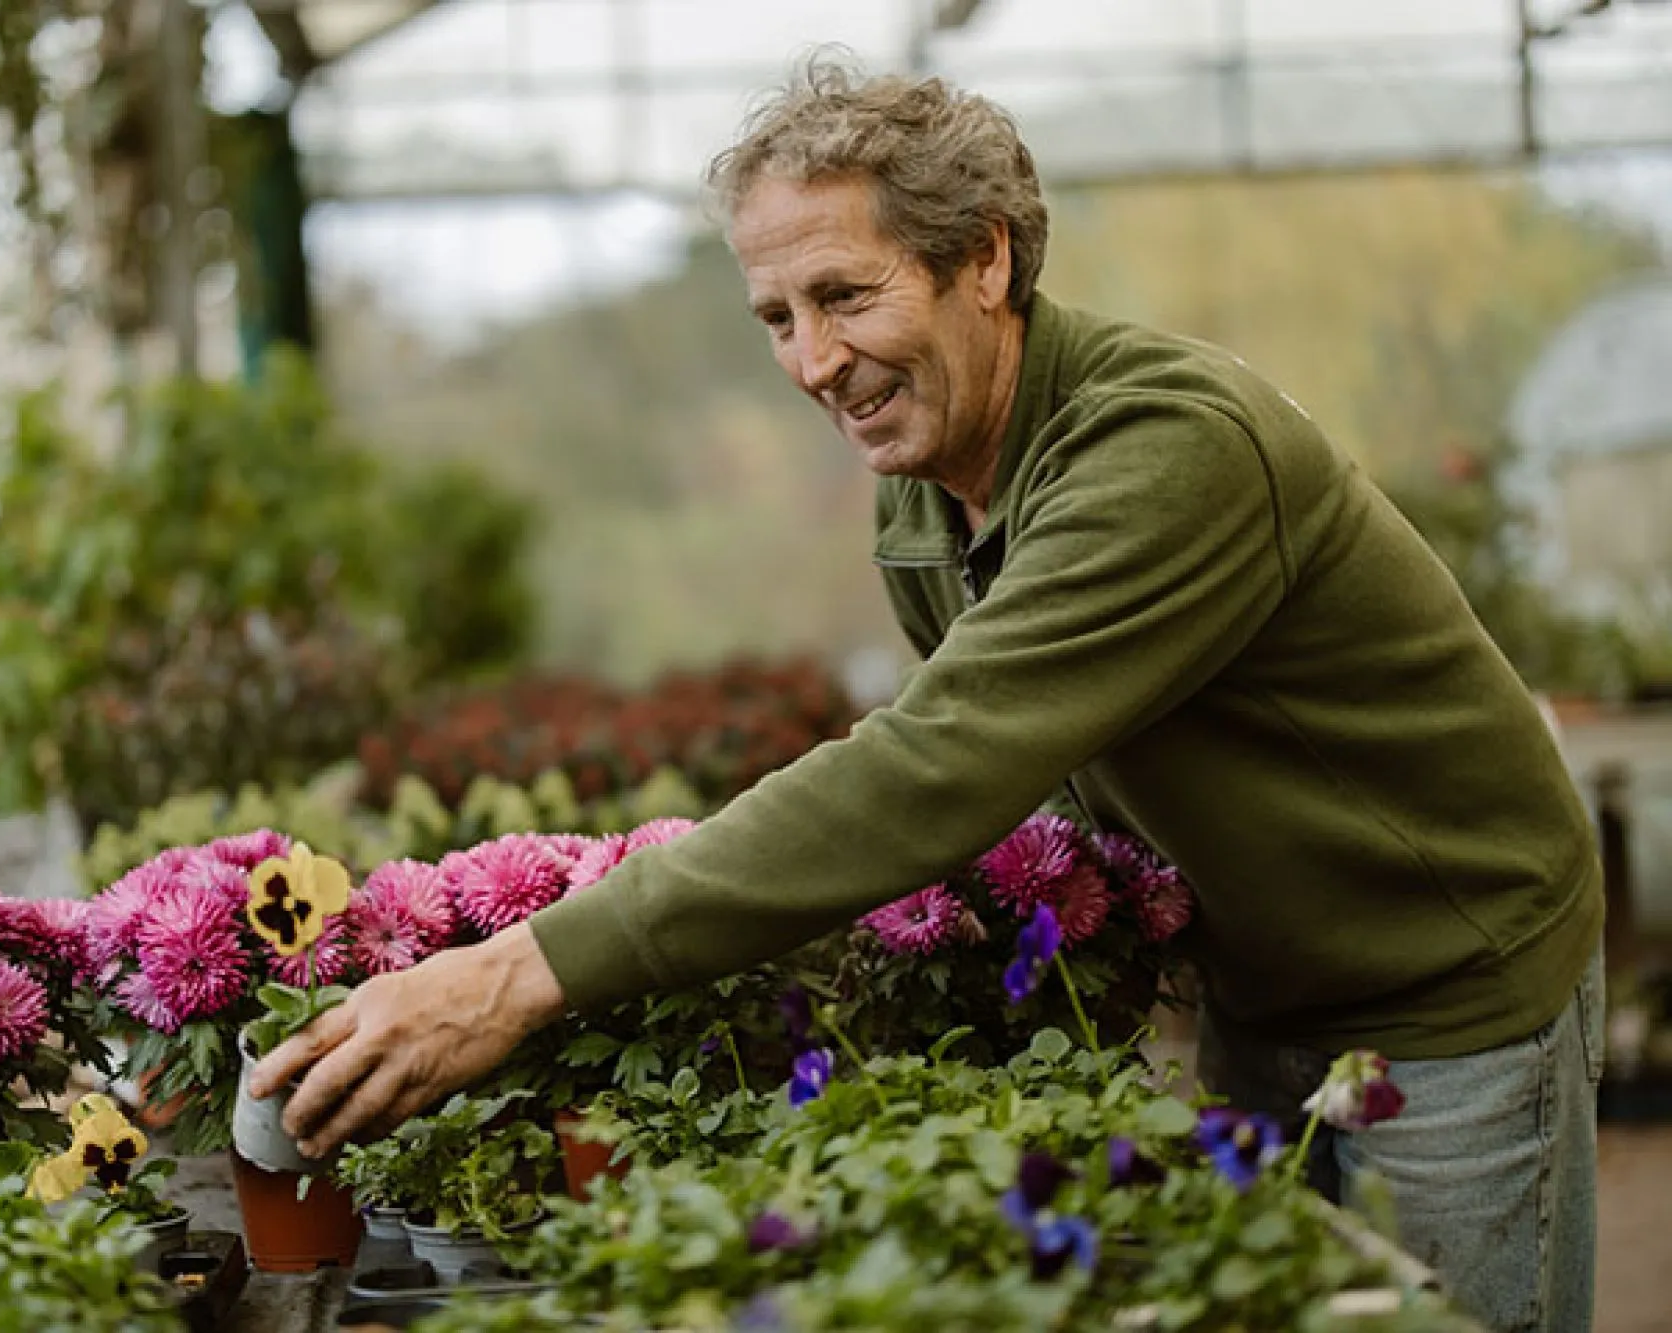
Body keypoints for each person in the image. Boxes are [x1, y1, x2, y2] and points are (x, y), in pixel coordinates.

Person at [254, 61, 1604, 1333]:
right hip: (1271, 990)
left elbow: (935, 768)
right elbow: (1011, 788)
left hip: (1444, 988)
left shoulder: (1167, 453)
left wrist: (520, 972)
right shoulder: (929, 488)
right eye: (778, 317)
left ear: (988, 261)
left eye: (847, 296)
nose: (813, 363)